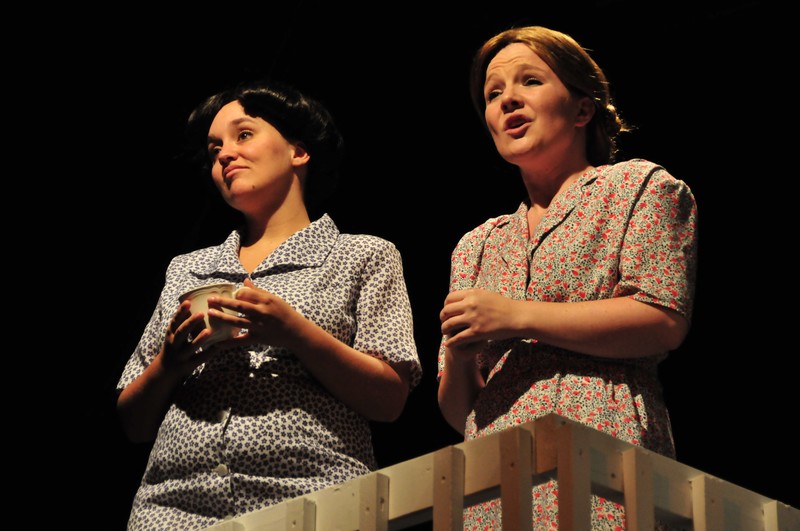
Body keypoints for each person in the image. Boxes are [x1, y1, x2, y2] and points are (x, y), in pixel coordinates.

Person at [116, 79, 422, 530]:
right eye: (214, 149)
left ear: (298, 151)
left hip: (313, 502)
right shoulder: (188, 269)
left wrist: (294, 332)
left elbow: (390, 400)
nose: (224, 155)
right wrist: (170, 363)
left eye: (243, 135)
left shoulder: (364, 255)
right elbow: (133, 423)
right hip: (172, 511)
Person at [437, 26, 698, 529]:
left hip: (604, 443)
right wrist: (460, 354)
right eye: (493, 94)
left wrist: (515, 316)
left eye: (530, 81)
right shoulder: (477, 244)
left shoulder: (637, 187)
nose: (508, 99)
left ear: (582, 110)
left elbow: (663, 319)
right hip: (494, 475)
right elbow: (459, 410)